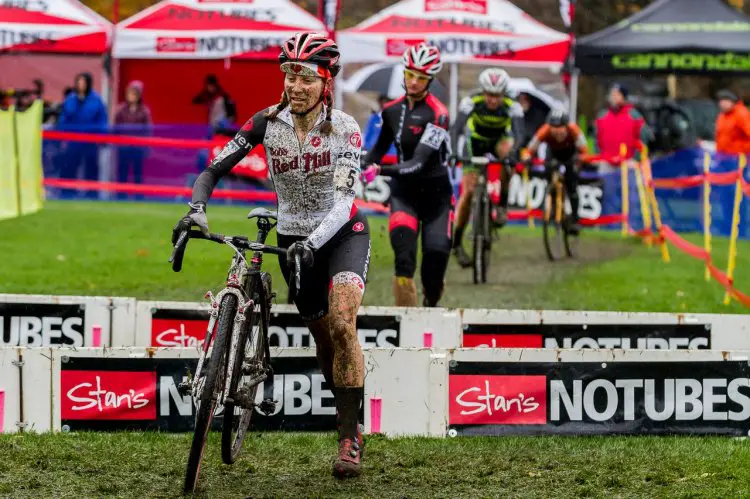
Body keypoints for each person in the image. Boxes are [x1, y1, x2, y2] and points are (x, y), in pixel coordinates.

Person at [172, 32, 368, 479]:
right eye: (289, 75)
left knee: (342, 323)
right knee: (323, 338)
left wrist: (313, 243)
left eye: (306, 78)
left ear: (326, 83)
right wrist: (196, 209)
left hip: (340, 236)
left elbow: (342, 203)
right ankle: (348, 406)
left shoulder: (345, 129)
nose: (296, 86)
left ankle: (349, 436)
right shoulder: (265, 123)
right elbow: (214, 168)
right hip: (290, 240)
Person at [360, 42, 452, 308]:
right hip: (405, 195)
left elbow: (418, 164)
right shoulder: (391, 110)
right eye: (409, 74)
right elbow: (376, 151)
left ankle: (431, 303)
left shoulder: (439, 114)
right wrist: (363, 163)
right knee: (404, 261)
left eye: (420, 78)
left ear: (430, 80)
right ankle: (406, 325)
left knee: (433, 264)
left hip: (437, 199)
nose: (413, 82)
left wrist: (380, 170)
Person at [449, 68, 523, 268]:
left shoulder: (512, 106)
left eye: (497, 95)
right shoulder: (471, 102)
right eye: (489, 95)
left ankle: (501, 206)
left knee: (508, 153)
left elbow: (519, 135)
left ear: (503, 94)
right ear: (483, 92)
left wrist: (514, 154)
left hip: (498, 142)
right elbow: (456, 129)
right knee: (469, 191)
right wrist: (455, 153)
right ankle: (457, 242)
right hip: (475, 143)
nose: (492, 100)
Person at [522, 108, 591, 234]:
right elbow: (528, 150)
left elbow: (585, 152)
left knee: (572, 185)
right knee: (549, 174)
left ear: (566, 126)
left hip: (571, 155)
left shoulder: (574, 130)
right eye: (554, 127)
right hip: (553, 154)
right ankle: (552, 205)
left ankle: (575, 219)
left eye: (561, 128)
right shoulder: (544, 131)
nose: (558, 131)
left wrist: (580, 159)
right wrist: (527, 158)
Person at [57, 72, 108, 199]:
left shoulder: (96, 100)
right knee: (69, 167)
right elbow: (64, 118)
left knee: (91, 169)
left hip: (90, 141)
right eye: (79, 81)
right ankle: (67, 193)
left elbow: (102, 120)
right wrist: (63, 135)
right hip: (73, 141)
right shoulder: (70, 99)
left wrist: (102, 138)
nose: (81, 84)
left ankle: (92, 194)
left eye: (83, 82)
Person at [593, 83, 652, 173]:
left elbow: (644, 137)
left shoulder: (634, 115)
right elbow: (596, 137)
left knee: (627, 187)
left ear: (624, 97)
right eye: (612, 94)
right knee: (606, 186)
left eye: (617, 94)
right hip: (607, 164)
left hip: (628, 163)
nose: (614, 97)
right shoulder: (602, 115)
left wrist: (636, 158)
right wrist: (598, 156)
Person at [114, 80, 153, 199]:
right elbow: (116, 128)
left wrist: (146, 145)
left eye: (134, 93)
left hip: (138, 148)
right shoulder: (120, 110)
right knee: (122, 173)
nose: (131, 96)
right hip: (123, 148)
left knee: (138, 173)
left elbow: (148, 130)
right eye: (129, 93)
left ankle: (138, 196)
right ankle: (120, 196)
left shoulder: (144, 111)